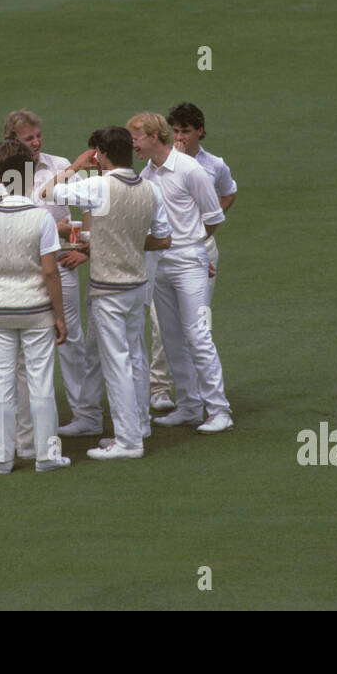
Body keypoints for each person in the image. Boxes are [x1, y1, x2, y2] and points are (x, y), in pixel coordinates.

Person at [43, 127, 172, 460]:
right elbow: (163, 238)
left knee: (116, 364)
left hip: (108, 290)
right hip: (137, 285)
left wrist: (75, 165)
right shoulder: (151, 189)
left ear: (100, 153)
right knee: (135, 356)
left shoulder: (98, 185)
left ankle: (128, 442)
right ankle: (139, 425)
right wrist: (120, 240)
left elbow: (48, 193)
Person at [127, 112, 233, 433]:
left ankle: (219, 410)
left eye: (138, 139)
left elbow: (213, 216)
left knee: (198, 335)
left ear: (154, 137)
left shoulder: (191, 170)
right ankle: (189, 406)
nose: (134, 146)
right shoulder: (145, 176)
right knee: (171, 338)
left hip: (189, 264)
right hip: (160, 266)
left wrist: (195, 248)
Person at [0, 139, 70, 474]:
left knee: (0, 384)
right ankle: (46, 455)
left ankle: (3, 458)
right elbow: (50, 271)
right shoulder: (41, 219)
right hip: (36, 309)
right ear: (27, 178)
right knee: (40, 383)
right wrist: (59, 315)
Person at [3, 110, 94, 438]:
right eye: (29, 138)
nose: (37, 142)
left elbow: (91, 205)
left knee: (69, 340)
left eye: (39, 135)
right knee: (21, 349)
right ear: (14, 140)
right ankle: (23, 422)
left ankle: (86, 415)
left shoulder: (58, 164)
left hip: (60, 264)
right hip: (21, 270)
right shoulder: (8, 172)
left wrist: (86, 249)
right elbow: (28, 212)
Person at [148, 102, 238, 413]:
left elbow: (227, 195)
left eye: (185, 131)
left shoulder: (211, 165)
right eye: (175, 131)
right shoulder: (151, 170)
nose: (179, 137)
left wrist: (197, 241)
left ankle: (218, 409)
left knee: (197, 330)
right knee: (166, 330)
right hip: (165, 254)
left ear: (199, 131)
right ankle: (175, 397)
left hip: (197, 249)